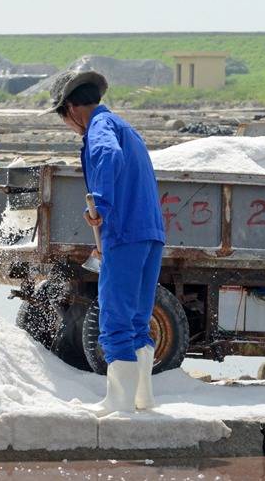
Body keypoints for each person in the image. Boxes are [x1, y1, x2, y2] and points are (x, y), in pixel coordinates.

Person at [41, 70, 166, 415]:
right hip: (149, 235)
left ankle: (118, 403)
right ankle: (143, 399)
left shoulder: (100, 129)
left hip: (125, 234)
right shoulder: (125, 126)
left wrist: (101, 203)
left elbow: (108, 157)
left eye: (62, 118)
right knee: (138, 320)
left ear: (70, 109)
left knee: (114, 321)